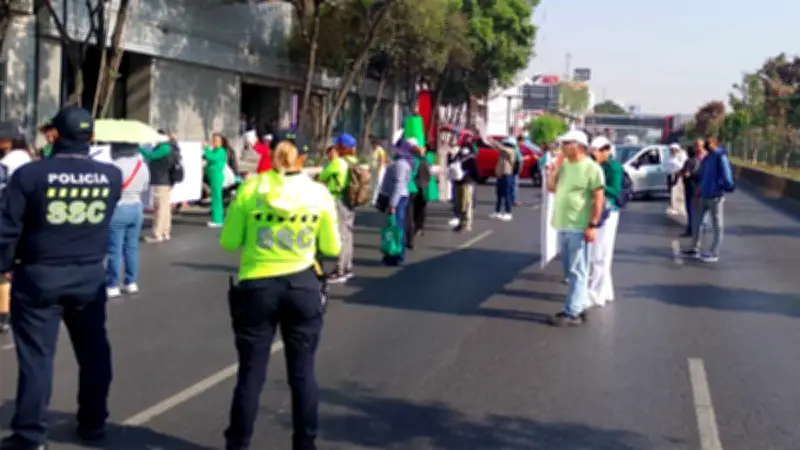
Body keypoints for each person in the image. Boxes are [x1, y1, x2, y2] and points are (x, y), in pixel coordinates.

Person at [0, 106, 123, 449]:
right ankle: (93, 423)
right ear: (91, 137)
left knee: (37, 358)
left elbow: (7, 228)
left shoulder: (31, 175)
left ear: (54, 135)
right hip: (88, 274)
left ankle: (31, 435)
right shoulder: (111, 175)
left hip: (40, 273)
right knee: (94, 351)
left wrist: (5, 265)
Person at [219, 130, 340, 450]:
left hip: (256, 286)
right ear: (303, 158)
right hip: (302, 285)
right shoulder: (318, 193)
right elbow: (332, 247)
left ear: (270, 154)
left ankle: (238, 444)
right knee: (303, 373)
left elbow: (229, 241)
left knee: (250, 373)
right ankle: (305, 444)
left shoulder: (250, 189)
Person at [546, 130, 605, 327]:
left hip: (579, 226)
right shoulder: (564, 166)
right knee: (570, 271)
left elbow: (598, 199)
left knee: (578, 270)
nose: (562, 147)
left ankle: (572, 312)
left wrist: (592, 224)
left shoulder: (592, 168)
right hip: (563, 224)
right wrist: (553, 170)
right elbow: (552, 188)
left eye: (566, 143)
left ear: (578, 146)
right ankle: (579, 304)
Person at [106, 143, 150, 298]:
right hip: (136, 207)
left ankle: (113, 285)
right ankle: (131, 282)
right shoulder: (141, 165)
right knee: (132, 247)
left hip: (118, 208)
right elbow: (145, 187)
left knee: (115, 249)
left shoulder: (114, 166)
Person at [682, 135, 735, 262]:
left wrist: (725, 186)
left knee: (717, 225)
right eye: (707, 142)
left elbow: (726, 175)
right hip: (704, 195)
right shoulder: (707, 159)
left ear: (715, 144)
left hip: (716, 196)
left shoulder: (720, 157)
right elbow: (703, 178)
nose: (707, 144)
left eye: (709, 143)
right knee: (696, 222)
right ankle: (694, 248)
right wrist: (697, 193)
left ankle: (714, 252)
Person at [587, 136, 623, 308]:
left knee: (601, 254)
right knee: (598, 252)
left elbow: (615, 191)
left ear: (606, 150)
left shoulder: (614, 167)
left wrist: (599, 186)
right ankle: (606, 291)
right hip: (598, 209)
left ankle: (596, 294)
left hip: (609, 212)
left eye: (596, 151)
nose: (593, 154)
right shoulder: (596, 165)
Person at [319, 133, 358, 284]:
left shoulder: (338, 163)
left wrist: (332, 160)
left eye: (336, 145)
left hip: (339, 199)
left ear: (342, 147)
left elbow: (323, 176)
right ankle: (347, 266)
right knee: (348, 234)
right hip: (350, 200)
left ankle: (340, 269)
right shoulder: (352, 161)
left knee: (341, 234)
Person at [377, 139, 414, 265]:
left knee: (396, 227)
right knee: (394, 227)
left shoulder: (400, 164)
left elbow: (398, 185)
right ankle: (392, 254)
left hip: (397, 198)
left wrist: (393, 204)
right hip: (398, 197)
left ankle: (397, 255)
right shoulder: (401, 163)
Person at [142, 130, 176, 243]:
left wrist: (139, 148)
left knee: (159, 207)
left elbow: (151, 155)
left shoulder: (164, 148)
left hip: (161, 181)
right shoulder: (169, 147)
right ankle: (165, 232)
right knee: (165, 207)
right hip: (166, 181)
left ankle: (157, 234)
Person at [678, 139, 707, 237]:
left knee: (691, 210)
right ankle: (701, 228)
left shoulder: (690, 161)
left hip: (692, 188)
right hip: (703, 188)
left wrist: (681, 173)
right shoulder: (706, 159)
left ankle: (692, 229)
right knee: (702, 209)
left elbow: (686, 174)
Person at [448, 143, 478, 233]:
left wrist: (468, 174)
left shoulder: (471, 159)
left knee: (467, 203)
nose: (464, 149)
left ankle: (467, 224)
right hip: (458, 182)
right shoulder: (457, 157)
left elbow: (475, 172)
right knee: (459, 204)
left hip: (467, 183)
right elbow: (450, 164)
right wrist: (451, 155)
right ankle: (461, 223)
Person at [204, 133, 229, 227]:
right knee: (215, 197)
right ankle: (216, 218)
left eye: (216, 141)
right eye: (213, 140)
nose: (214, 142)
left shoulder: (221, 151)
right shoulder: (215, 150)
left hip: (216, 176)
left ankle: (217, 220)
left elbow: (212, 158)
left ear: (221, 142)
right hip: (213, 176)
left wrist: (206, 149)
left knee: (216, 198)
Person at [489, 137, 517, 221]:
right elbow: (496, 147)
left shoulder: (511, 151)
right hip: (500, 175)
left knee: (507, 194)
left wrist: (495, 142)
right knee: (499, 194)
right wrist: (491, 142)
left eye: (506, 143)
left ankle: (508, 212)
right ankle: (497, 212)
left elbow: (501, 148)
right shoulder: (503, 151)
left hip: (507, 175)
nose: (504, 144)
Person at [369, 136, 388, 205]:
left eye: (373, 144)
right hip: (373, 169)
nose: (372, 145)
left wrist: (378, 170)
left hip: (379, 170)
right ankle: (371, 198)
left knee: (377, 184)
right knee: (372, 184)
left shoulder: (380, 150)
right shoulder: (372, 150)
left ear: (376, 144)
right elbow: (371, 160)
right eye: (372, 144)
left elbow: (381, 161)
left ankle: (374, 200)